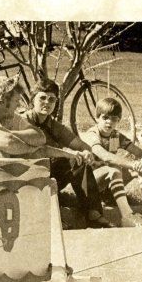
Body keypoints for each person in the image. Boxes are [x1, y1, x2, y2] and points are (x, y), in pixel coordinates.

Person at [20, 78, 114, 228]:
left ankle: (93, 213)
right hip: (26, 172)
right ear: (32, 100)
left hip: (48, 172)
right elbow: (38, 150)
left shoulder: (53, 125)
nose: (47, 102)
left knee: (77, 160)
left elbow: (81, 145)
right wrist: (67, 153)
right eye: (42, 98)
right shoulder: (23, 121)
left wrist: (86, 152)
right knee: (68, 158)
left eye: (52, 99)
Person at [80, 98, 142, 227]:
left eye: (114, 119)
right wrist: (133, 164)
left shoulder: (116, 135)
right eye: (105, 118)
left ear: (118, 120)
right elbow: (105, 156)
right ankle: (127, 216)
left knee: (138, 170)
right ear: (97, 118)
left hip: (108, 182)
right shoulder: (92, 134)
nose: (109, 122)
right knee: (115, 168)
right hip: (89, 184)